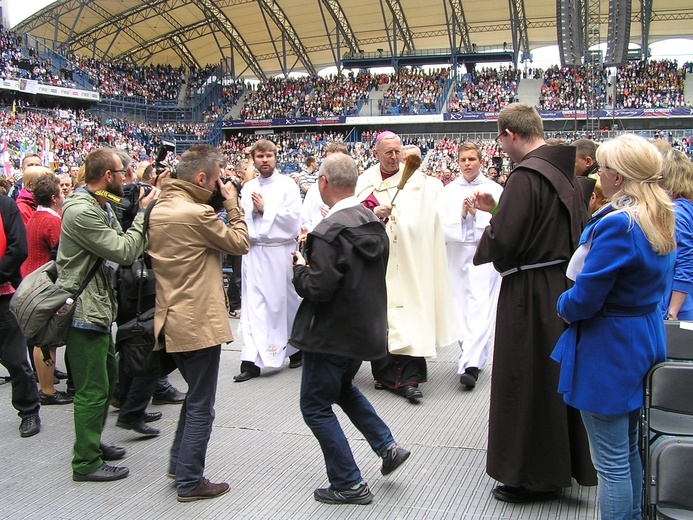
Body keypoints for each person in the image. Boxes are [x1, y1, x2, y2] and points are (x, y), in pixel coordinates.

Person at [473, 103, 596, 502]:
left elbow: (504, 238)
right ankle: (557, 466)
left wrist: (491, 229)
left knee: (524, 378)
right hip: (558, 282)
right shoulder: (566, 170)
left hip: (529, 291)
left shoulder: (526, 174)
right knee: (549, 377)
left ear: (510, 134)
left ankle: (532, 475)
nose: (501, 146)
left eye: (500, 138)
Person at [552, 134, 675, 519]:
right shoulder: (658, 214)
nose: (597, 174)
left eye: (602, 168)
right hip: (642, 334)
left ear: (618, 178)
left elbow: (587, 296)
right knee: (630, 448)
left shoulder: (618, 225)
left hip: (609, 346)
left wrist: (562, 305)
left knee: (611, 460)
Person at [290, 153, 410, 505]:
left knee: (314, 405)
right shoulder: (372, 223)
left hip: (330, 333)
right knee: (342, 388)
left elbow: (318, 288)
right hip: (364, 330)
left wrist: (299, 266)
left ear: (323, 183)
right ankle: (387, 447)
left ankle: (349, 482)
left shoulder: (328, 232)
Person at [148, 143, 249, 502]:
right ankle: (190, 480)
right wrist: (233, 203)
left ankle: (179, 465)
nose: (219, 185)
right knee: (202, 403)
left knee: (194, 397)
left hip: (171, 316)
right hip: (197, 320)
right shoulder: (195, 214)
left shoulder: (160, 206)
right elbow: (240, 242)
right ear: (203, 178)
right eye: (217, 180)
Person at [57, 147, 158, 482]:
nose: (127, 178)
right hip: (84, 310)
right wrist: (144, 213)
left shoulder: (99, 200)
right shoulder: (81, 211)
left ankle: (94, 442)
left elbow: (119, 226)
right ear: (106, 176)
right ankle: (85, 462)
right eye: (122, 173)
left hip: (100, 308)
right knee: (93, 389)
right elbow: (125, 250)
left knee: (108, 379)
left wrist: (135, 201)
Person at [356, 131, 456, 402]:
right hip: (380, 262)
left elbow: (428, 221)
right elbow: (358, 213)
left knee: (411, 314)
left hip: (411, 261)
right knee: (384, 318)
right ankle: (385, 375)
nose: (394, 157)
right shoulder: (366, 181)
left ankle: (410, 378)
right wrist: (374, 214)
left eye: (398, 151)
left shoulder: (420, 182)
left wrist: (404, 221)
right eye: (388, 152)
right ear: (375, 153)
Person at [235, 139, 302, 382]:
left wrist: (266, 209)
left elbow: (294, 219)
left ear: (276, 157)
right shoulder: (248, 186)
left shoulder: (288, 185)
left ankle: (294, 348)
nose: (264, 160)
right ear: (254, 158)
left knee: (281, 303)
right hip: (254, 253)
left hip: (278, 251)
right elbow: (243, 217)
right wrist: (253, 211)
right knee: (253, 306)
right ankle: (250, 361)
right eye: (260, 156)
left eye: (269, 156)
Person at [437, 142, 503, 389]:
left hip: (482, 253)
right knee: (460, 309)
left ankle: (470, 365)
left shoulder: (495, 189)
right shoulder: (447, 191)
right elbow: (439, 223)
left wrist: (477, 215)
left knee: (479, 306)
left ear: (480, 161)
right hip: (455, 252)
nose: (467, 164)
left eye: (472, 159)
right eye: (463, 159)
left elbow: (503, 220)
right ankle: (470, 354)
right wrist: (460, 215)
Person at [20, 175, 71, 405]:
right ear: (54, 198)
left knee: (40, 340)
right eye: (61, 192)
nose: (63, 195)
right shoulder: (51, 221)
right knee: (46, 340)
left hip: (32, 279)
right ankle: (48, 390)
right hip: (45, 284)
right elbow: (62, 253)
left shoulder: (36, 216)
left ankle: (45, 384)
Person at [0, 193, 41, 438]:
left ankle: (28, 411)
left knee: (15, 360)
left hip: (4, 295)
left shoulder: (5, 205)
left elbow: (18, 249)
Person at [659, 148, 693, 320]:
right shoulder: (687, 207)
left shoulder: (677, 213)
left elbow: (686, 263)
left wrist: (673, 311)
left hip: (680, 307)